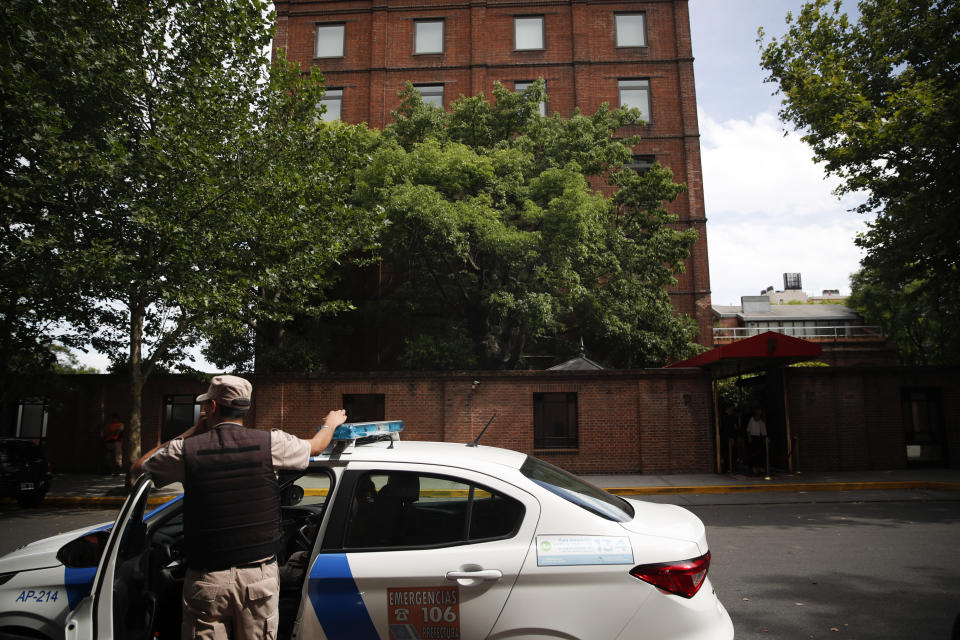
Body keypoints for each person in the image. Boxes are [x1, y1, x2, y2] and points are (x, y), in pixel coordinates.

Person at [131, 375, 346, 640]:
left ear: (211, 408)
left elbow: (139, 469)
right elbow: (316, 447)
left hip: (207, 580)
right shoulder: (271, 444)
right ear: (245, 408)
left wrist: (192, 432)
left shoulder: (186, 450)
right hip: (259, 578)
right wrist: (330, 423)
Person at [746, 406, 767, 474]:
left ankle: (760, 466)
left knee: (761, 453)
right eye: (758, 410)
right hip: (753, 437)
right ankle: (753, 466)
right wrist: (749, 437)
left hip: (760, 437)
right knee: (753, 453)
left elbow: (764, 430)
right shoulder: (752, 419)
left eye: (760, 411)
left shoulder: (762, 420)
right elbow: (748, 429)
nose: (759, 412)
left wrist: (764, 438)